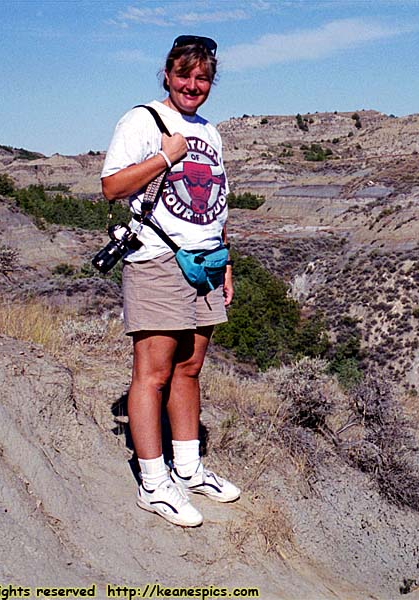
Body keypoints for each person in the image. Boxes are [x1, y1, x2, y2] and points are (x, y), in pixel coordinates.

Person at [100, 35, 239, 527]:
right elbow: (112, 186)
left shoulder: (212, 132)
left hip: (205, 261)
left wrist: (226, 262)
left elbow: (217, 200)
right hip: (158, 260)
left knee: (190, 367)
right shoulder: (144, 120)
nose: (192, 86)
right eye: (184, 75)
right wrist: (165, 157)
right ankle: (154, 484)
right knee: (153, 373)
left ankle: (189, 467)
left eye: (202, 78)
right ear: (167, 74)